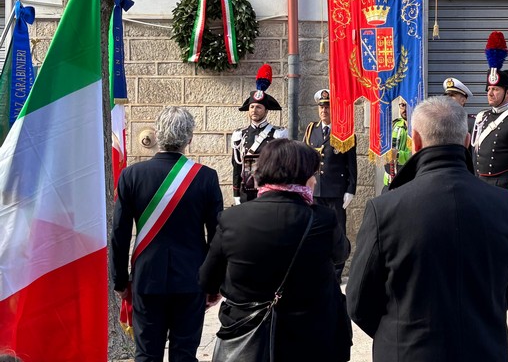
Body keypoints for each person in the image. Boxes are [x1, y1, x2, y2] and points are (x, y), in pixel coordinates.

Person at [347, 96, 508, 361]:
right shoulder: (505, 204)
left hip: (409, 352)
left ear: (416, 142)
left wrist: (400, 334)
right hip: (484, 350)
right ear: (467, 142)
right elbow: (507, 290)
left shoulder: (385, 208)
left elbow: (358, 300)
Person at [199, 139, 352, 362]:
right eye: (312, 174)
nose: (314, 181)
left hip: (247, 339)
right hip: (310, 340)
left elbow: (208, 279)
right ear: (302, 177)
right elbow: (341, 254)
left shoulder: (232, 218)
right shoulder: (323, 219)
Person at [110, 106, 224, 362]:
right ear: (189, 138)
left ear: (158, 134)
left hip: (146, 278)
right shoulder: (206, 177)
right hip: (191, 278)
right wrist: (214, 282)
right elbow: (217, 235)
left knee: (146, 354)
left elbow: (119, 233)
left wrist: (120, 281)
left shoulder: (131, 175)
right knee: (184, 354)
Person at [303, 88, 357, 281]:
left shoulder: (344, 131)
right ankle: (319, 269)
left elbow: (351, 164)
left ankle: (336, 272)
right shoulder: (311, 130)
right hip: (315, 190)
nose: (324, 111)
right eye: (321, 107)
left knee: (338, 231)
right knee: (315, 230)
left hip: (336, 191)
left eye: (327, 107)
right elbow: (306, 160)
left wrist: (351, 189)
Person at [472, 31, 508, 196]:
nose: (490, 93)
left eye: (496, 89)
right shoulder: (482, 117)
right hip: (479, 184)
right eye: (489, 89)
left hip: (503, 187)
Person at [231, 63, 289, 203]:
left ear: (266, 111)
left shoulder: (278, 134)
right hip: (247, 192)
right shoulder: (240, 135)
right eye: (251, 107)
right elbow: (237, 167)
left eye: (258, 107)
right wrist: (236, 193)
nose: (254, 110)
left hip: (270, 191)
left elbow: (285, 165)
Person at [383, 100, 411, 188]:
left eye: (408, 105)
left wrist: (398, 155)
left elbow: (418, 154)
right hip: (389, 181)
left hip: (408, 183)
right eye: (402, 105)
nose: (405, 109)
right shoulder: (395, 124)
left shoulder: (420, 128)